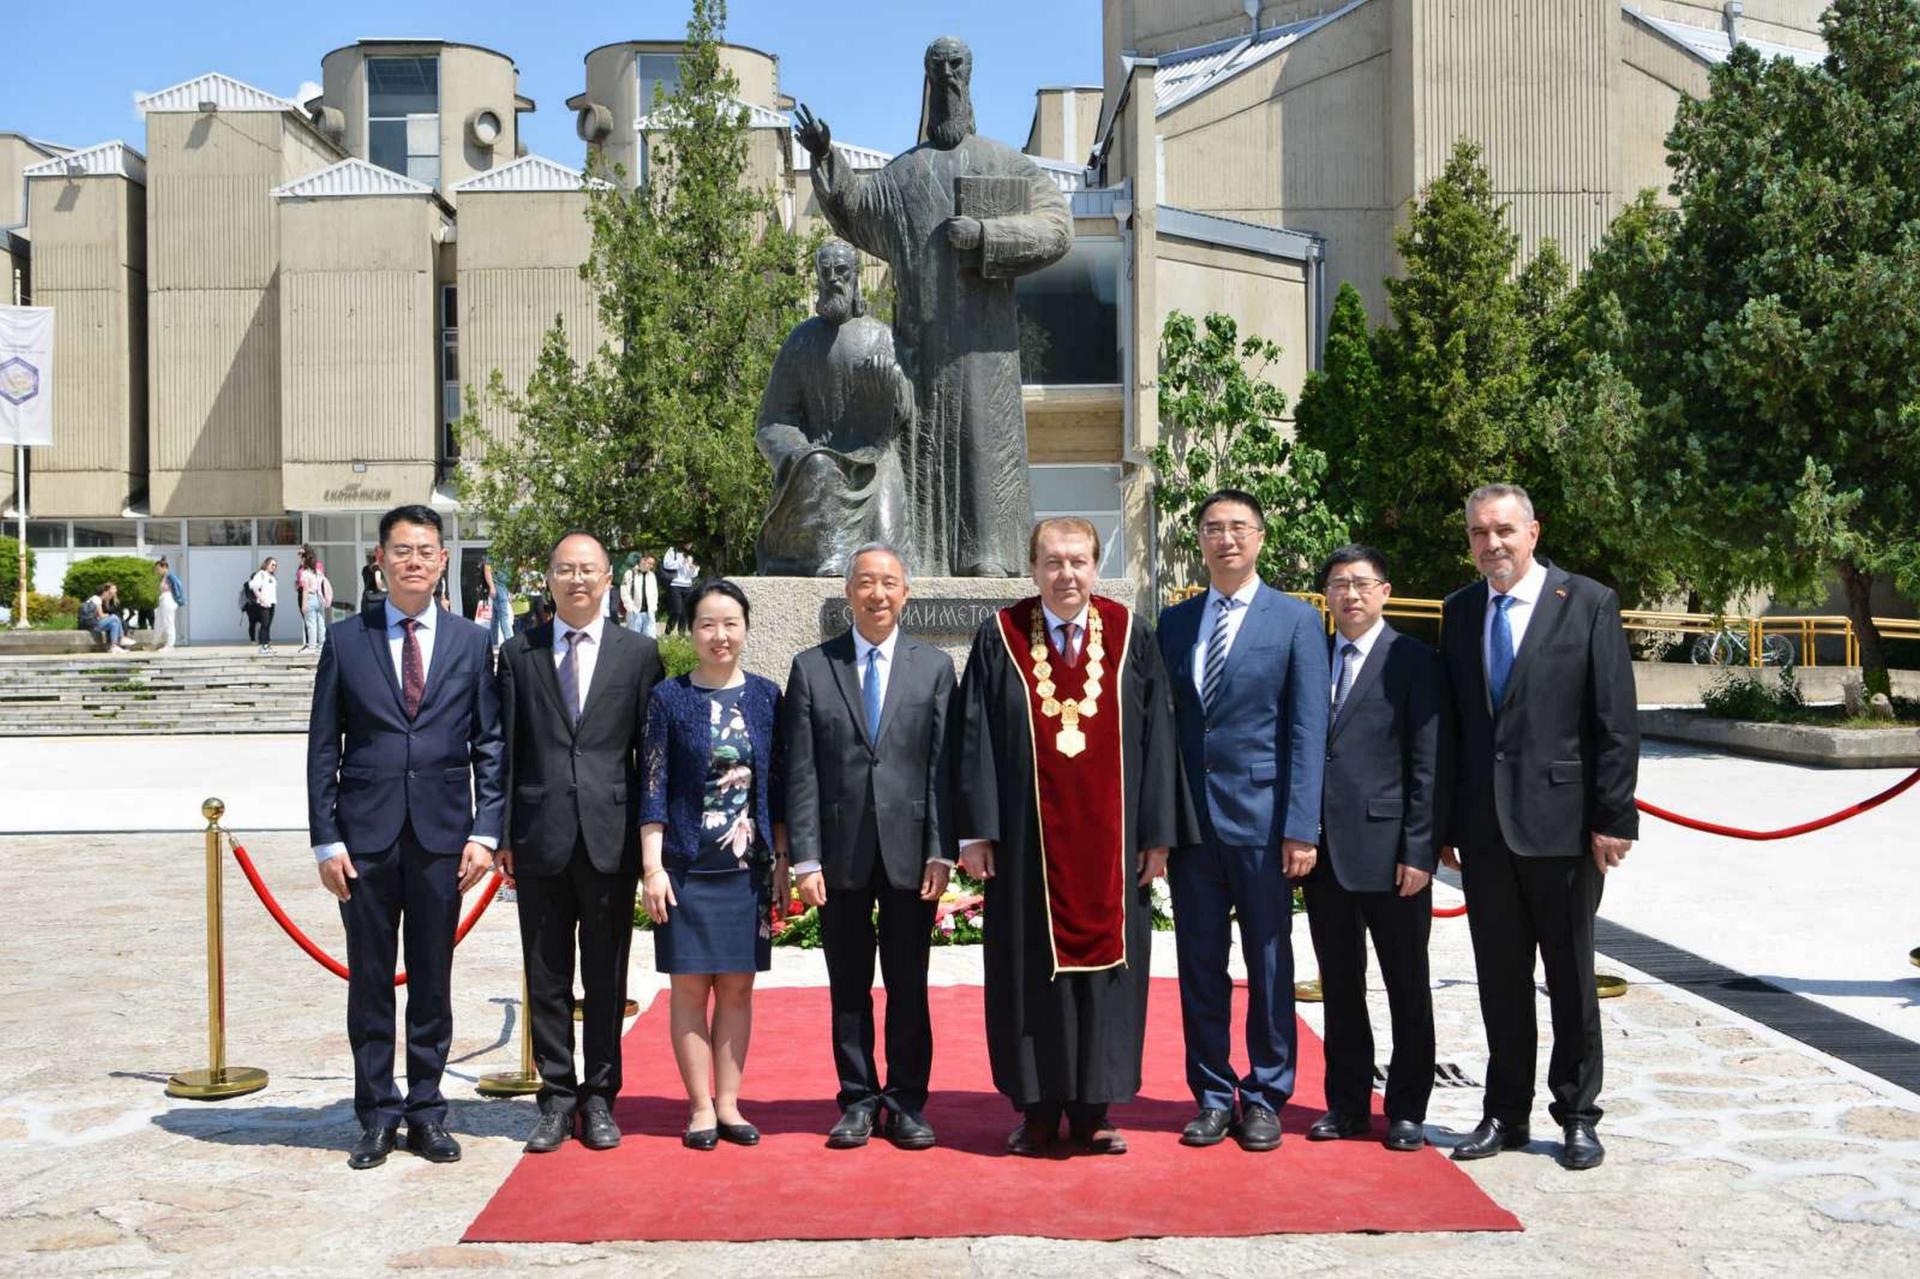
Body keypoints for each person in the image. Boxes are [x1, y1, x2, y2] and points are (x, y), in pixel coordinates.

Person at [950, 518, 1197, 1156]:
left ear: (1096, 566)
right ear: (1033, 568)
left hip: (1113, 850)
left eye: (1078, 561)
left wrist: (1158, 836)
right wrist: (976, 832)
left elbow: (1159, 738)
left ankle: (1094, 1109)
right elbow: (974, 736)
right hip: (1025, 850)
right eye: (1053, 562)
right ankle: (1036, 1110)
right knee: (1027, 970)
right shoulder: (1001, 637)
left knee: (1109, 974)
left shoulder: (1130, 634)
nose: (1066, 575)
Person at [795, 37, 1073, 576]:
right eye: (937, 66)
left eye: (956, 65)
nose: (947, 74)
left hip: (984, 349)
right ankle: (919, 561)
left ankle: (989, 556)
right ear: (926, 77)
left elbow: (1057, 228)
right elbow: (856, 209)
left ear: (969, 74)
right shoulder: (905, 173)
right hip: (918, 349)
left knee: (982, 452)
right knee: (919, 457)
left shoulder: (1005, 162)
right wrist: (826, 155)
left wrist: (988, 235)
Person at [1439, 483, 1639, 1172]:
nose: (1491, 543)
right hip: (1485, 831)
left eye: (1503, 530)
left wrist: (1613, 816)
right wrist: (1445, 823)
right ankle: (1505, 1112)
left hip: (1565, 828)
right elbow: (1455, 727)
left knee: (1570, 979)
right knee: (1499, 980)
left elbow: (1615, 719)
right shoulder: (1460, 611)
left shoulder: (1586, 602)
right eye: (1478, 532)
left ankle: (1577, 1114)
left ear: (1532, 532)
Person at [306, 504, 503, 1171]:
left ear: (443, 560)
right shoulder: (346, 640)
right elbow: (322, 747)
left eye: (425, 550)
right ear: (380, 559)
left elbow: (490, 744)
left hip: (443, 839)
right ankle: (375, 1115)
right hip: (363, 841)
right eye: (401, 550)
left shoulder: (471, 643)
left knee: (432, 980)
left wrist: (485, 830)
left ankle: (425, 1110)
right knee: (369, 981)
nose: (413, 561)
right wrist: (326, 840)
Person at [1154, 490, 1328, 1153]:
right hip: (1194, 827)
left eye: (1237, 527)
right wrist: (1159, 825)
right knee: (1199, 964)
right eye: (1212, 528)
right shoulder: (1175, 622)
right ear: (1199, 539)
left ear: (1259, 537)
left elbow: (1307, 729)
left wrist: (1302, 825)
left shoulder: (1295, 620)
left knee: (1270, 961)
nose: (1225, 539)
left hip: (1265, 822)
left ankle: (1265, 1094)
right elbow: (1164, 727)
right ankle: (1211, 1094)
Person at [496, 530, 662, 1154]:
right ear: (549, 579)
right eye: (565, 569)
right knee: (546, 975)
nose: (577, 579)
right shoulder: (519, 654)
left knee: (606, 974)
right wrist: (503, 833)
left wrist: (650, 843)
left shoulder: (638, 654)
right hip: (539, 837)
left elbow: (650, 757)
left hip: (610, 838)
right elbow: (506, 749)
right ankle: (556, 1098)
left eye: (588, 569)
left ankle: (599, 1098)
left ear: (608, 578)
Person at [784, 542, 954, 1149]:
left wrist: (941, 851)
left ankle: (907, 1102)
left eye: (888, 583)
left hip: (912, 855)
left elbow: (942, 768)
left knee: (909, 985)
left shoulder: (934, 667)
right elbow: (801, 770)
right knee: (849, 987)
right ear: (848, 592)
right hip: (840, 855)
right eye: (865, 582)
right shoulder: (813, 667)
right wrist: (805, 857)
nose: (877, 594)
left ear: (905, 593)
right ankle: (856, 1099)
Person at [1304, 544, 1444, 1152]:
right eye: (1339, 584)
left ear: (1385, 591)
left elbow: (1428, 763)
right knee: (1340, 985)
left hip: (1393, 855)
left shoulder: (1415, 660)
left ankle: (1408, 1108)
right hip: (1324, 854)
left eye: (1362, 583)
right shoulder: (1311, 656)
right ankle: (1347, 1104)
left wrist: (1420, 850)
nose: (1350, 594)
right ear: (1327, 596)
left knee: (1407, 985)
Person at [639, 579, 787, 1150]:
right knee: (689, 989)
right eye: (707, 624)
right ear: (692, 630)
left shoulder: (766, 697)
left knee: (738, 989)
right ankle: (699, 1107)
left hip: (746, 870)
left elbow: (775, 785)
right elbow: (652, 787)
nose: (719, 635)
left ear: (746, 629)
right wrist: (653, 868)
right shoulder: (668, 698)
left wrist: (781, 860)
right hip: (684, 867)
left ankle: (729, 1103)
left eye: (730, 624)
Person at [753, 239, 911, 576]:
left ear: (856, 277)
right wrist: (801, 455)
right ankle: (833, 557)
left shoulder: (882, 338)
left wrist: (892, 387)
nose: (833, 279)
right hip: (821, 463)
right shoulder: (801, 341)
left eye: (841, 271)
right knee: (820, 467)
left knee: (889, 552)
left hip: (876, 461)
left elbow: (908, 414)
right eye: (825, 272)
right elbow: (772, 422)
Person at [297, 546, 333, 654]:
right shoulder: (318, 572)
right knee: (321, 622)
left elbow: (305, 589)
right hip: (320, 598)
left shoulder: (305, 573)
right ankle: (321, 645)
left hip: (311, 597)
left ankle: (311, 646)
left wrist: (304, 604)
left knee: (311, 623)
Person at [80, 582, 134, 651]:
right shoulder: (97, 599)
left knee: (114, 624)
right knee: (114, 617)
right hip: (93, 625)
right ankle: (121, 638)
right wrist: (109, 615)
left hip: (89, 624)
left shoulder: (92, 599)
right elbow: (101, 615)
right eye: (109, 594)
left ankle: (113, 646)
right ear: (104, 592)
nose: (110, 596)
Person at [621, 553, 661, 638]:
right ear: (642, 560)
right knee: (634, 639)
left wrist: (654, 608)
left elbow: (655, 593)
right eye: (649, 563)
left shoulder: (652, 576)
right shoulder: (630, 573)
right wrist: (630, 608)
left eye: (652, 564)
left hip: (649, 613)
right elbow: (624, 592)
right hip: (635, 612)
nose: (651, 566)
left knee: (650, 639)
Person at [662, 545, 697, 635]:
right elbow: (666, 564)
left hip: (688, 585)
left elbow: (693, 575)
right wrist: (681, 562)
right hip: (675, 584)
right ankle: (668, 631)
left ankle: (681, 635)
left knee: (685, 613)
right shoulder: (673, 550)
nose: (689, 545)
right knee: (677, 610)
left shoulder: (693, 554)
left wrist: (692, 569)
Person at [247, 557, 279, 653]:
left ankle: (267, 644)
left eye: (275, 565)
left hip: (272, 602)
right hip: (264, 604)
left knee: (268, 624)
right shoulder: (261, 574)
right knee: (264, 624)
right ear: (267, 564)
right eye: (272, 565)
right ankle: (263, 645)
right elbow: (254, 588)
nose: (274, 567)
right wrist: (262, 599)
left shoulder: (272, 577)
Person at [153, 558, 185, 651]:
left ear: (165, 567)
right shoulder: (163, 578)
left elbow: (178, 587)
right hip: (163, 600)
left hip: (168, 599)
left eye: (158, 569)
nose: (157, 571)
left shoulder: (171, 576)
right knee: (159, 621)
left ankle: (170, 645)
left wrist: (177, 600)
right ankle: (154, 643)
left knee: (168, 622)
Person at [485, 554, 514, 650]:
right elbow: (487, 570)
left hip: (504, 588)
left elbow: (510, 574)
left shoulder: (508, 554)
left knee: (496, 616)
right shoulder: (493, 554)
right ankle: (510, 643)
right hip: (497, 586)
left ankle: (493, 643)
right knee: (504, 616)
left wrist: (510, 591)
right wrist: (492, 587)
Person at [361, 550, 387, 614]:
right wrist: (384, 590)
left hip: (367, 597)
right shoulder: (376, 568)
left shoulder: (365, 569)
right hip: (376, 599)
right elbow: (378, 583)